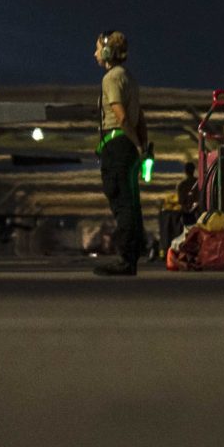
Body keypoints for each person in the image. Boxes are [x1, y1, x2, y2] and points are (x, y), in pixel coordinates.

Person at [93, 30, 149, 277]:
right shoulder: (130, 78)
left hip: (117, 144)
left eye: (97, 48)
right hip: (129, 148)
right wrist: (142, 147)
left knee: (120, 200)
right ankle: (134, 254)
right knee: (131, 200)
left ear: (106, 52)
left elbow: (122, 117)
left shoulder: (111, 79)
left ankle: (126, 260)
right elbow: (141, 118)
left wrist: (135, 143)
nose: (94, 53)